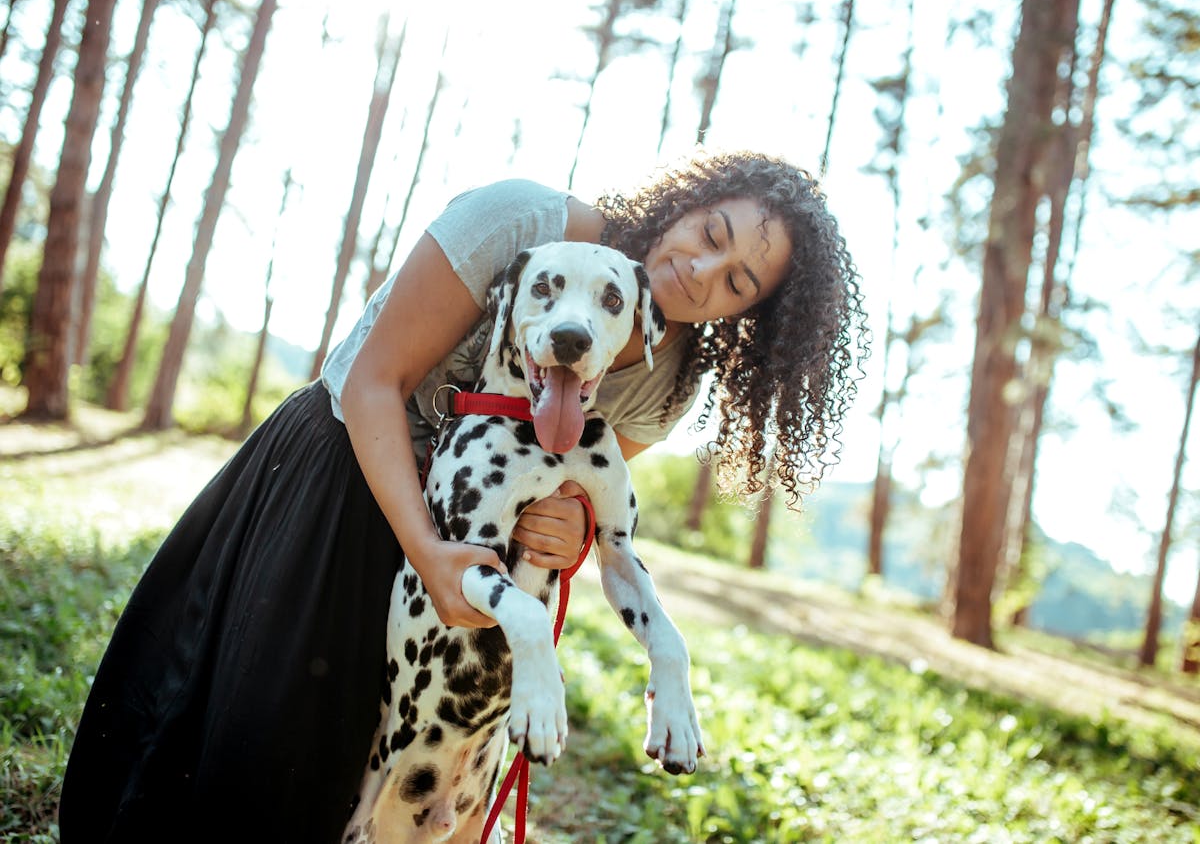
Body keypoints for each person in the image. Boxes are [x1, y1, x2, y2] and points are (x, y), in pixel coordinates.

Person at [58, 148, 868, 843]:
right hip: (344, 473)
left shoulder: (671, 377)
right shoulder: (520, 222)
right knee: (265, 758)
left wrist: (571, 527)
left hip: (465, 560)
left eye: (737, 282)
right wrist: (427, 552)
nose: (701, 271)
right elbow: (375, 380)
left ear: (750, 316)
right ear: (687, 201)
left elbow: (571, 487)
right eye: (711, 234)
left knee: (362, 790)